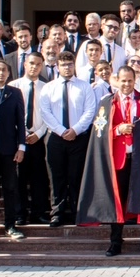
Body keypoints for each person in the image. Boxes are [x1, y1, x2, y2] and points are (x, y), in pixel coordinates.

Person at [80, 66, 140, 257]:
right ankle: (115, 242)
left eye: (130, 80)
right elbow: (98, 131)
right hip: (119, 159)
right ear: (117, 80)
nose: (127, 84)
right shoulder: (107, 102)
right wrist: (117, 130)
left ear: (135, 80)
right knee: (117, 201)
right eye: (123, 80)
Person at [38, 51, 97, 226]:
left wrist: (75, 130)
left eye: (70, 64)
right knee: (57, 177)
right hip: (56, 138)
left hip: (78, 138)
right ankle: (57, 213)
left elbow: (90, 111)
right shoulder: (49, 88)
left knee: (76, 175)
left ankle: (78, 211)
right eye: (63, 65)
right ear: (57, 66)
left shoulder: (84, 86)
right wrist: (62, 130)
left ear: (74, 66)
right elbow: (45, 112)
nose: (67, 67)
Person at [0, 59, 27, 241]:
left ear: (9, 74)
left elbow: (20, 121)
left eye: (4, 70)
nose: (1, 73)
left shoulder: (15, 93)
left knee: (11, 188)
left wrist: (21, 146)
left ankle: (10, 225)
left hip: (10, 149)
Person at [9, 51, 50, 225]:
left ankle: (38, 212)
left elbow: (50, 115)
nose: (34, 67)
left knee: (39, 178)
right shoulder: (13, 86)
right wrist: (22, 134)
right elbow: (8, 115)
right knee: (18, 178)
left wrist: (38, 133)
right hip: (18, 140)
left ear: (42, 66)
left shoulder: (47, 87)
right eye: (31, 63)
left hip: (39, 138)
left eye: (38, 64)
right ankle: (19, 213)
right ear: (25, 64)